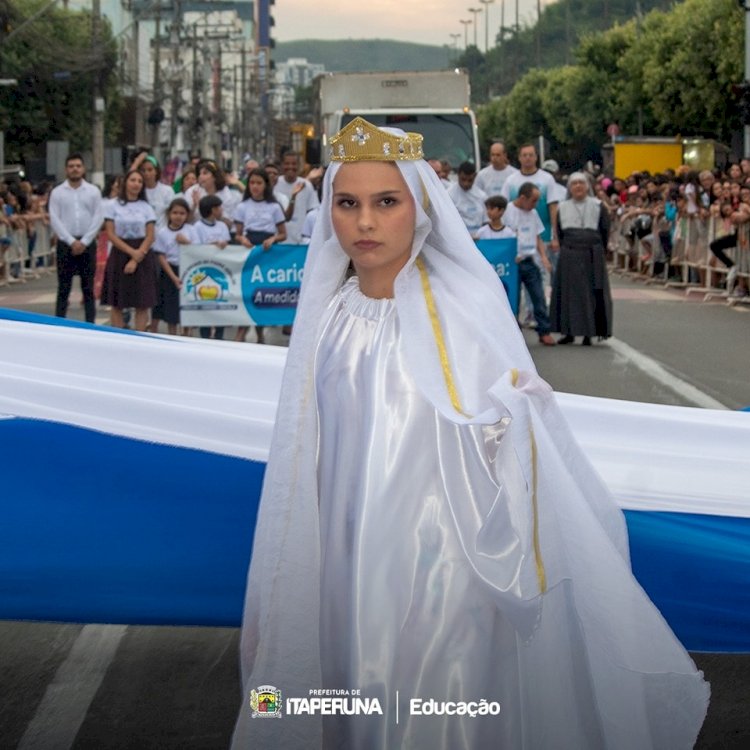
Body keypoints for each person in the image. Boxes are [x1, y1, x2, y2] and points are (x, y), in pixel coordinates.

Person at [231, 117, 708, 750]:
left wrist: (512, 417)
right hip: (342, 558)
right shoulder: (327, 319)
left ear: (420, 208)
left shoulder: (461, 306)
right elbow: (305, 452)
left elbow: (509, 426)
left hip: (444, 568)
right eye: (348, 204)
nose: (365, 223)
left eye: (386, 202)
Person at [549, 173, 613, 346]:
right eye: (574, 183)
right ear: (569, 187)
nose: (578, 186)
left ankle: (589, 334)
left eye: (581, 183)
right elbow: (560, 232)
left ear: (587, 186)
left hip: (592, 254)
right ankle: (568, 332)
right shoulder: (563, 207)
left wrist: (600, 250)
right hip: (570, 253)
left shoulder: (598, 206)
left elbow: (604, 231)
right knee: (568, 294)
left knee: (591, 294)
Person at [233, 168, 287, 344]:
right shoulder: (242, 206)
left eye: (259, 183)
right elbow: (237, 233)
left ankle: (260, 332)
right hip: (249, 249)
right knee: (246, 290)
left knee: (262, 292)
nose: (255, 186)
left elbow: (283, 233)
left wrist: (273, 239)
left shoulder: (274, 207)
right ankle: (242, 329)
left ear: (266, 185)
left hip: (267, 249)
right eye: (252, 183)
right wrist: (242, 239)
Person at [47, 153, 103, 323]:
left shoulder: (93, 191)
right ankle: (59, 325)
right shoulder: (57, 193)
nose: (75, 169)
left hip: (87, 243)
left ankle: (90, 325)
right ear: (66, 170)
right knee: (64, 287)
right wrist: (71, 241)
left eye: (78, 166)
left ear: (83, 169)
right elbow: (54, 218)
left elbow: (98, 217)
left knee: (88, 288)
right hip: (66, 244)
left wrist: (85, 241)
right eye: (71, 166)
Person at [100, 169, 157, 331]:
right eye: (133, 180)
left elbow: (150, 235)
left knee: (142, 302)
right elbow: (110, 233)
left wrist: (137, 257)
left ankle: (140, 336)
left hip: (142, 253)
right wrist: (131, 253)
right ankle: (119, 336)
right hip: (120, 253)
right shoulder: (112, 205)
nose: (136, 184)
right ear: (125, 183)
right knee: (117, 301)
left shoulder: (146, 207)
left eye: (140, 181)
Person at [503, 182, 556, 345]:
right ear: (522, 198)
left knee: (538, 296)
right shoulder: (508, 211)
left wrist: (544, 257)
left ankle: (544, 330)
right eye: (533, 200)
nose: (535, 205)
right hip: (514, 261)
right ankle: (513, 332)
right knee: (514, 297)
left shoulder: (532, 213)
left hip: (529, 259)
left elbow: (537, 236)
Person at [150, 197, 193, 335]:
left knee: (187, 305)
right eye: (175, 213)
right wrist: (173, 277)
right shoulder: (163, 232)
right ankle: (172, 334)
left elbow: (199, 250)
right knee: (171, 307)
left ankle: (187, 334)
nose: (178, 216)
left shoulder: (191, 230)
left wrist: (186, 242)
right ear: (169, 214)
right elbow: (161, 256)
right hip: (170, 271)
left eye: (182, 213)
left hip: (188, 269)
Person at [192, 194, 230, 340]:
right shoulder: (198, 227)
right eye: (219, 207)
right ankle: (205, 334)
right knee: (205, 303)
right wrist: (213, 245)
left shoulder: (222, 226)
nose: (221, 210)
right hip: (205, 270)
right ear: (212, 209)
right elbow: (195, 248)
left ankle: (219, 334)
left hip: (221, 270)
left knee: (221, 303)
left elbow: (227, 243)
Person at [274, 152, 320, 244]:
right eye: (287, 164)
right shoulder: (275, 183)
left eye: (294, 164)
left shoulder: (306, 185)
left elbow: (312, 212)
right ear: (282, 165)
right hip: (278, 242)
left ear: (299, 166)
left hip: (299, 242)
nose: (290, 167)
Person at [447, 161, 487, 238]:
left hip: (478, 238)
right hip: (459, 238)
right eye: (463, 179)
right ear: (458, 175)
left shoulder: (482, 196)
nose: (466, 183)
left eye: (470, 180)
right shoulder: (449, 195)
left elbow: (486, 221)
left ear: (475, 176)